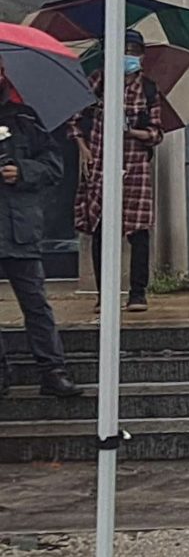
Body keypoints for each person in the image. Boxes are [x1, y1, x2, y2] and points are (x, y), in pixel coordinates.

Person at [0, 61, 80, 397]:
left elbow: (53, 166)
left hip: (19, 228)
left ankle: (52, 372)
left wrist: (22, 171)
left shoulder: (25, 118)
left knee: (36, 305)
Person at [71, 29, 165, 314]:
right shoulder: (98, 81)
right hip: (100, 161)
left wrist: (132, 131)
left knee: (138, 231)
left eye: (134, 52)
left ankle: (138, 293)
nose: (129, 57)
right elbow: (75, 119)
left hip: (135, 166)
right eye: (124, 51)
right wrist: (83, 149)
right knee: (100, 229)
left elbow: (156, 133)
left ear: (142, 56)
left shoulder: (149, 89)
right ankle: (105, 294)